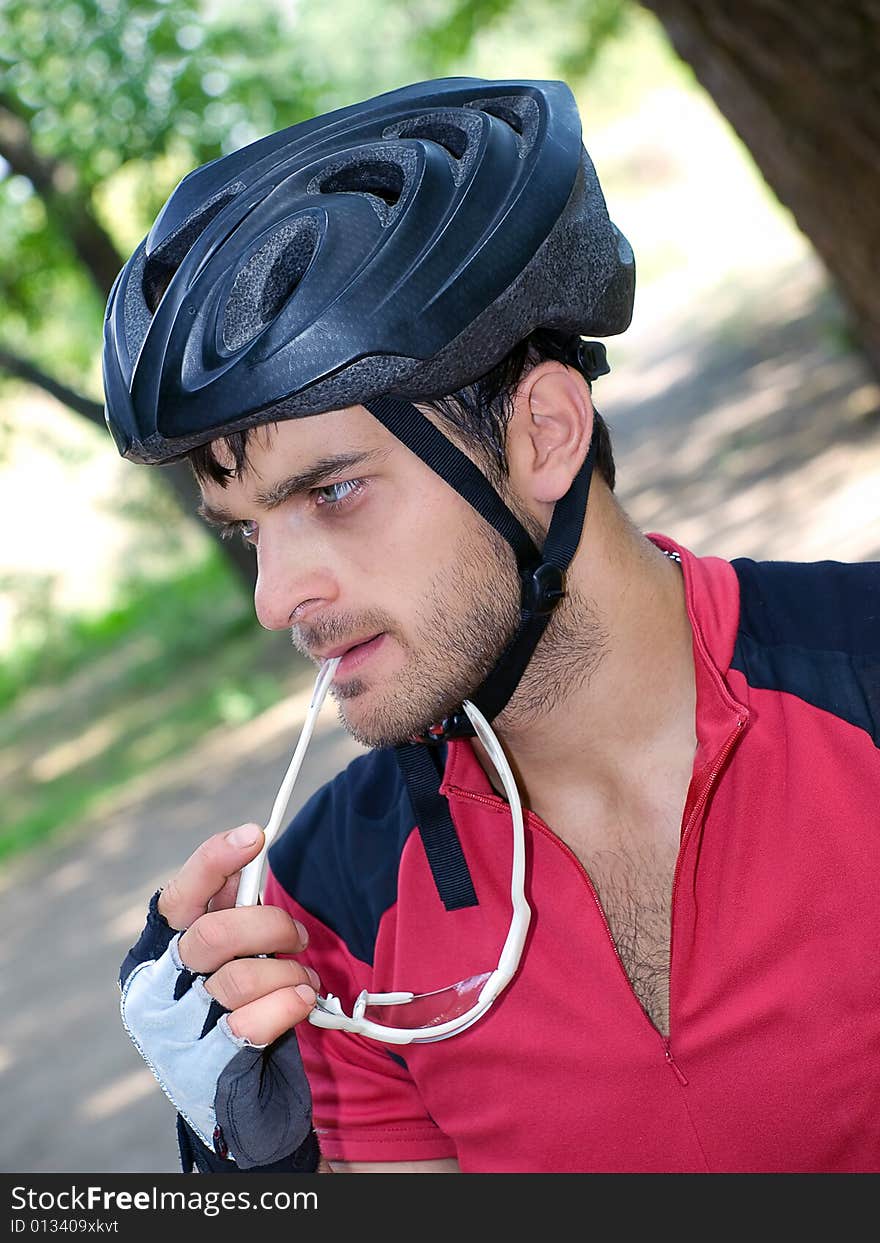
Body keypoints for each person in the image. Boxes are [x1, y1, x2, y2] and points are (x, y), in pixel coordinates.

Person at [105, 76, 880, 1175]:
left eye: (329, 492)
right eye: (246, 530)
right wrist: (257, 1174)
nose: (278, 597)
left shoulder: (861, 676)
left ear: (546, 435)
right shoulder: (328, 906)